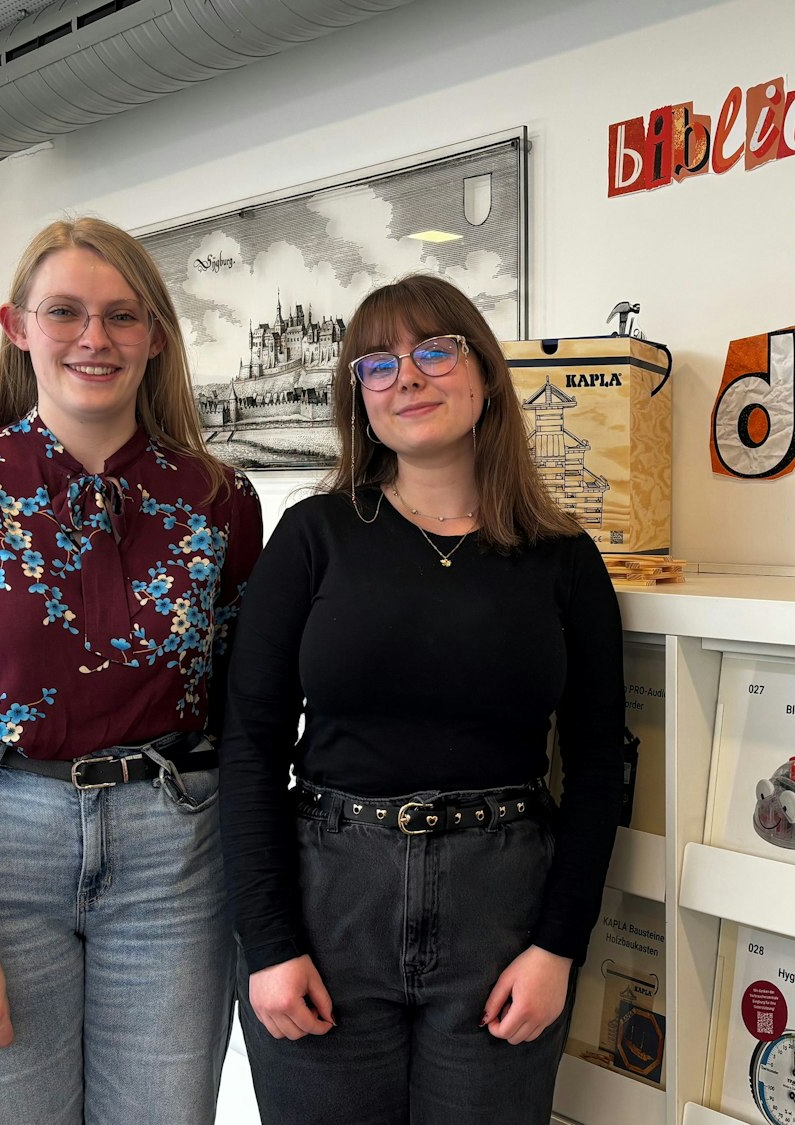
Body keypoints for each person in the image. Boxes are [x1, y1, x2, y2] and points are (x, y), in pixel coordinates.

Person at [0, 217, 262, 1124]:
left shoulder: (218, 500)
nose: (95, 338)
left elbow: (244, 711)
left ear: (155, 336)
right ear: (17, 326)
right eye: (66, 312)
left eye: (122, 316)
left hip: (174, 855)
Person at [219, 274, 624, 1123]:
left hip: (502, 911)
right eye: (378, 363)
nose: (407, 376)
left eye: (434, 350)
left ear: (483, 377)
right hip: (330, 901)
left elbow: (595, 763)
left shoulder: (562, 559)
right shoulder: (314, 536)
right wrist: (269, 941)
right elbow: (250, 743)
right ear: (359, 397)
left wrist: (559, 945)